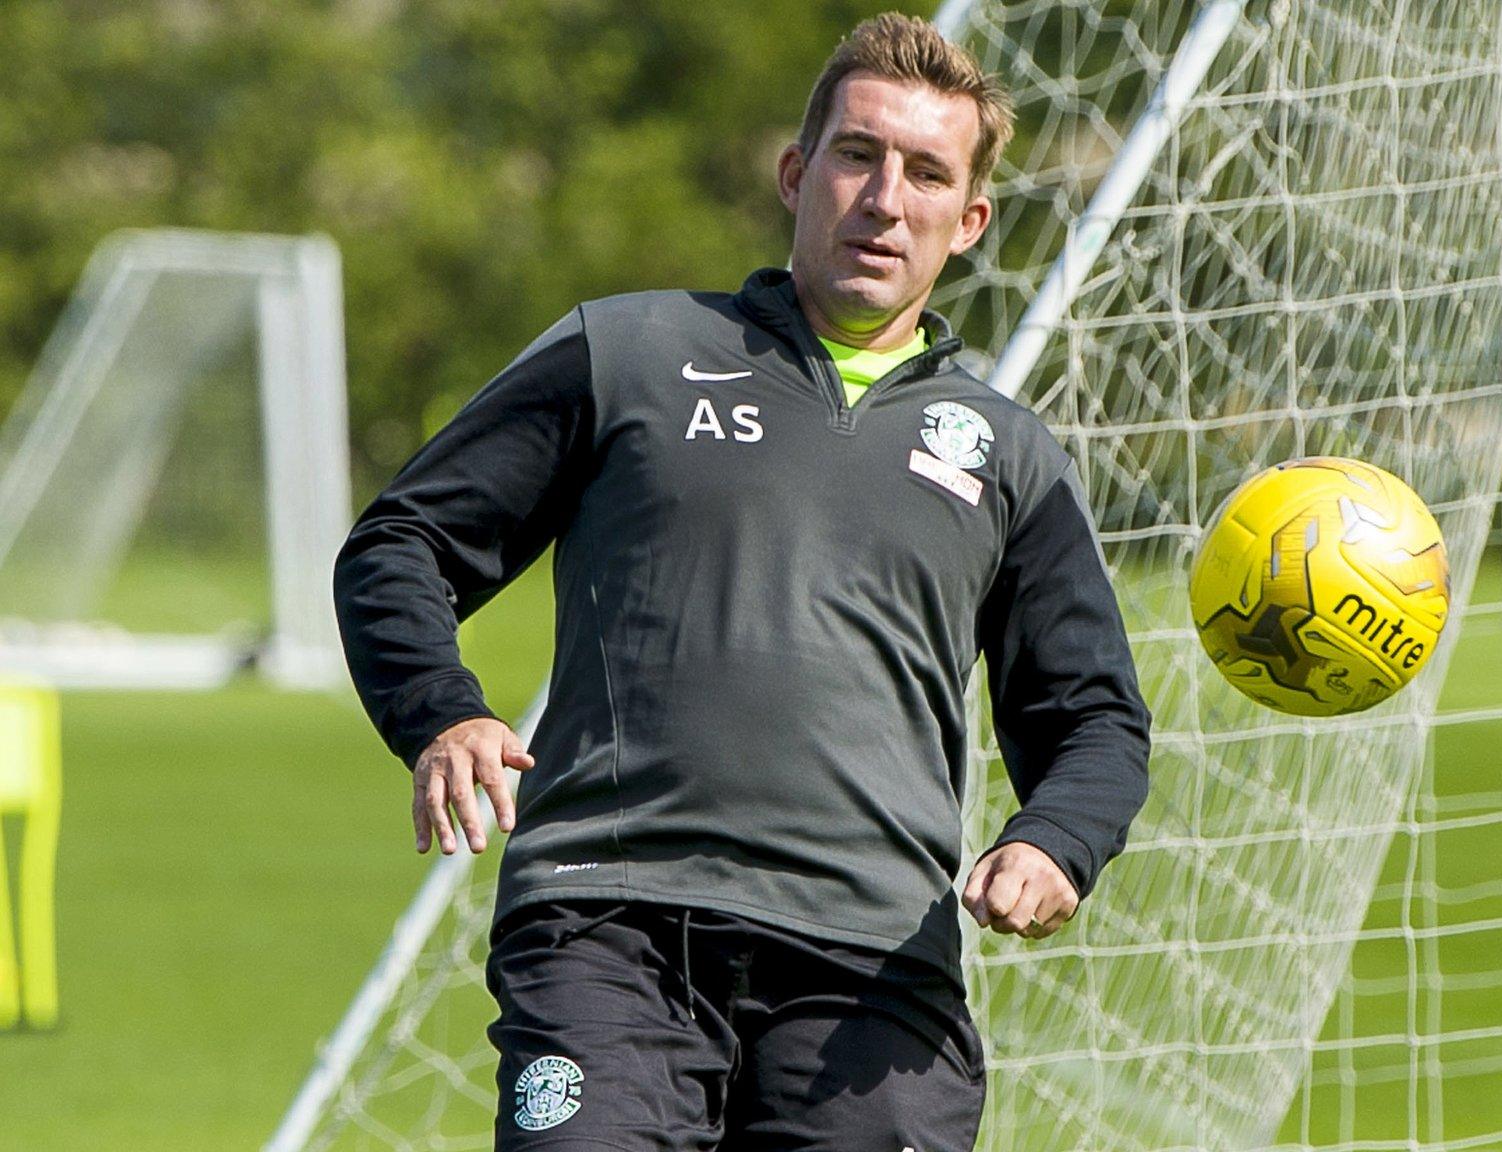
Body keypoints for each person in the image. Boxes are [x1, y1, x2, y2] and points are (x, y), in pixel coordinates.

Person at [332, 13, 1151, 1150]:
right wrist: (443, 710)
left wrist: (1053, 841)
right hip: (607, 930)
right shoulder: (629, 353)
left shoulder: (1008, 455)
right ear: (795, 172)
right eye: (857, 156)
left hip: (871, 970)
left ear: (967, 222)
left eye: (925, 174)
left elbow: (1094, 718)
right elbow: (401, 542)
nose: (883, 198)